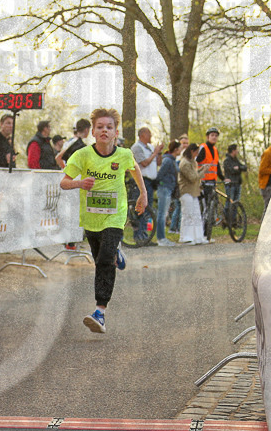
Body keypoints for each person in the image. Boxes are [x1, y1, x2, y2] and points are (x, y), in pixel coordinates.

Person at [60, 108, 147, 334]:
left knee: (104, 260)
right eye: (100, 127)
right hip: (91, 218)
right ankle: (115, 251)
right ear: (93, 131)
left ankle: (100, 311)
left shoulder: (124, 154)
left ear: (115, 132)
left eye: (109, 127)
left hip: (115, 215)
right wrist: (80, 183)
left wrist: (143, 194)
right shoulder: (82, 155)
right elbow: (64, 182)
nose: (104, 131)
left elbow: (135, 169)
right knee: (101, 256)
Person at [130, 126, 163, 244]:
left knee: (147, 209)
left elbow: (158, 162)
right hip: (141, 181)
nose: (151, 136)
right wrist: (155, 153)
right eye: (149, 134)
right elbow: (144, 163)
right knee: (141, 208)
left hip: (150, 182)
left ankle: (145, 237)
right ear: (142, 135)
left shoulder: (150, 147)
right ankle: (140, 237)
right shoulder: (137, 147)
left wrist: (158, 153)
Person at [178, 144, 208, 245]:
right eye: (196, 152)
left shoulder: (192, 162)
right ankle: (186, 237)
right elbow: (192, 178)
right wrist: (203, 172)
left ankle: (198, 237)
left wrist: (200, 170)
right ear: (191, 151)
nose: (197, 154)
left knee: (196, 215)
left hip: (194, 192)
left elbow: (194, 174)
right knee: (188, 215)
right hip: (186, 192)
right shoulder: (185, 163)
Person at [155, 141, 181, 246]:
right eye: (179, 148)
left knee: (164, 214)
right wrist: (161, 183)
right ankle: (161, 238)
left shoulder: (173, 160)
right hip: (164, 188)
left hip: (169, 188)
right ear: (175, 149)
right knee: (162, 214)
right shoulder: (168, 160)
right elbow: (160, 173)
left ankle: (162, 237)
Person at [168, 134, 190, 233]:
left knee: (180, 207)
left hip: (184, 184)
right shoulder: (178, 156)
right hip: (178, 184)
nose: (185, 145)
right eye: (183, 143)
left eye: (186, 143)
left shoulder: (188, 154)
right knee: (179, 206)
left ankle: (176, 227)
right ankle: (175, 227)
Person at [222, 143, 248, 219]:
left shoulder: (236, 160)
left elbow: (244, 167)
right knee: (229, 202)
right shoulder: (227, 161)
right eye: (236, 150)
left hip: (237, 183)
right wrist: (237, 169)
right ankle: (226, 218)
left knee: (236, 203)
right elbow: (231, 170)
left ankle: (233, 220)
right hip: (230, 185)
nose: (237, 151)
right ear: (233, 151)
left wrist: (238, 168)